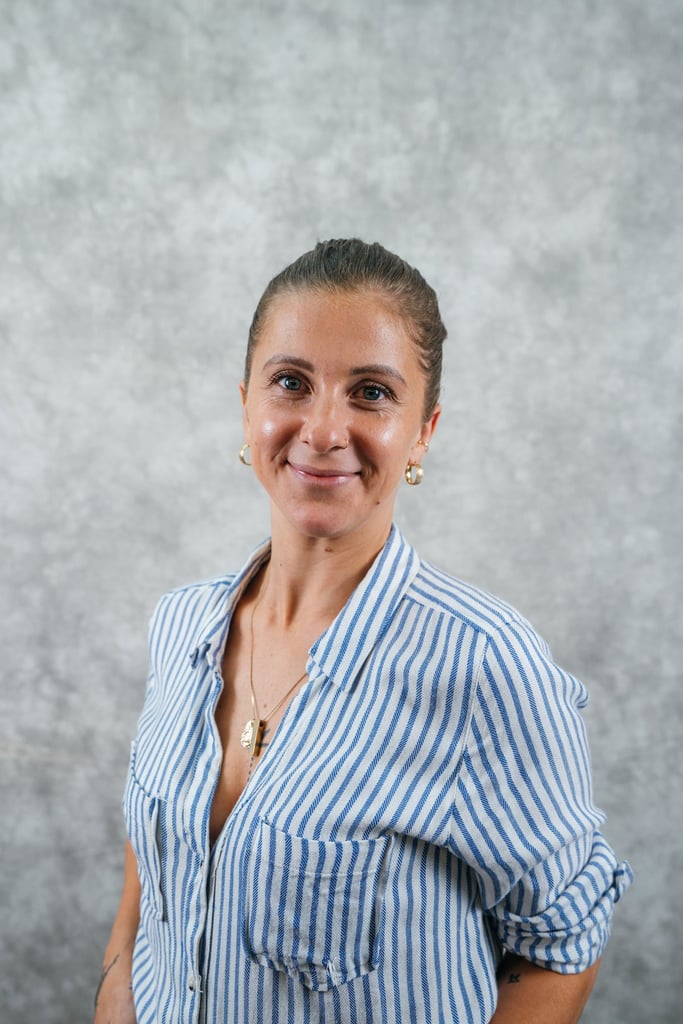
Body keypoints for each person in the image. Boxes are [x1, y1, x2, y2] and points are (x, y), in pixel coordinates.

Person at [94, 239, 632, 1024]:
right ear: (247, 405)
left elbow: (561, 946)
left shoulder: (483, 665)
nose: (321, 428)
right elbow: (154, 851)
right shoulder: (180, 625)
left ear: (422, 432)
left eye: (371, 393)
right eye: (290, 382)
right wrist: (115, 990)